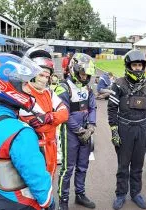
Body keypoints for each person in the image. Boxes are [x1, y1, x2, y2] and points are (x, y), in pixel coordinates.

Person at [0, 53, 55, 209]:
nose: (28, 89)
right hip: (21, 204)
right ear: (5, 85)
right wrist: (49, 202)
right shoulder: (21, 133)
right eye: (23, 84)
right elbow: (38, 181)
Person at [108, 50, 146, 210]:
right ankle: (121, 194)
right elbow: (112, 108)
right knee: (123, 165)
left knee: (137, 164)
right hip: (124, 127)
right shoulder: (119, 84)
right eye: (134, 65)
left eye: (140, 65)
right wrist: (114, 130)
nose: (137, 68)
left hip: (141, 128)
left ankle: (136, 193)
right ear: (129, 66)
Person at [20, 45, 69, 178]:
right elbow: (40, 128)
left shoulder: (49, 92)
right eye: (41, 75)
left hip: (51, 146)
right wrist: (54, 119)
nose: (44, 79)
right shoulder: (23, 95)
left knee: (50, 179)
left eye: (47, 76)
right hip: (34, 149)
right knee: (35, 184)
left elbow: (65, 114)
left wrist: (48, 118)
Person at [57, 53, 97, 210]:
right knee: (68, 168)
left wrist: (92, 125)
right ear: (73, 70)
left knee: (83, 166)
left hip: (86, 132)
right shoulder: (63, 87)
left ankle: (80, 194)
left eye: (87, 74)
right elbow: (64, 114)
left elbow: (92, 107)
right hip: (70, 134)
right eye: (82, 73)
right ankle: (63, 200)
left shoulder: (88, 87)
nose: (84, 76)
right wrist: (79, 130)